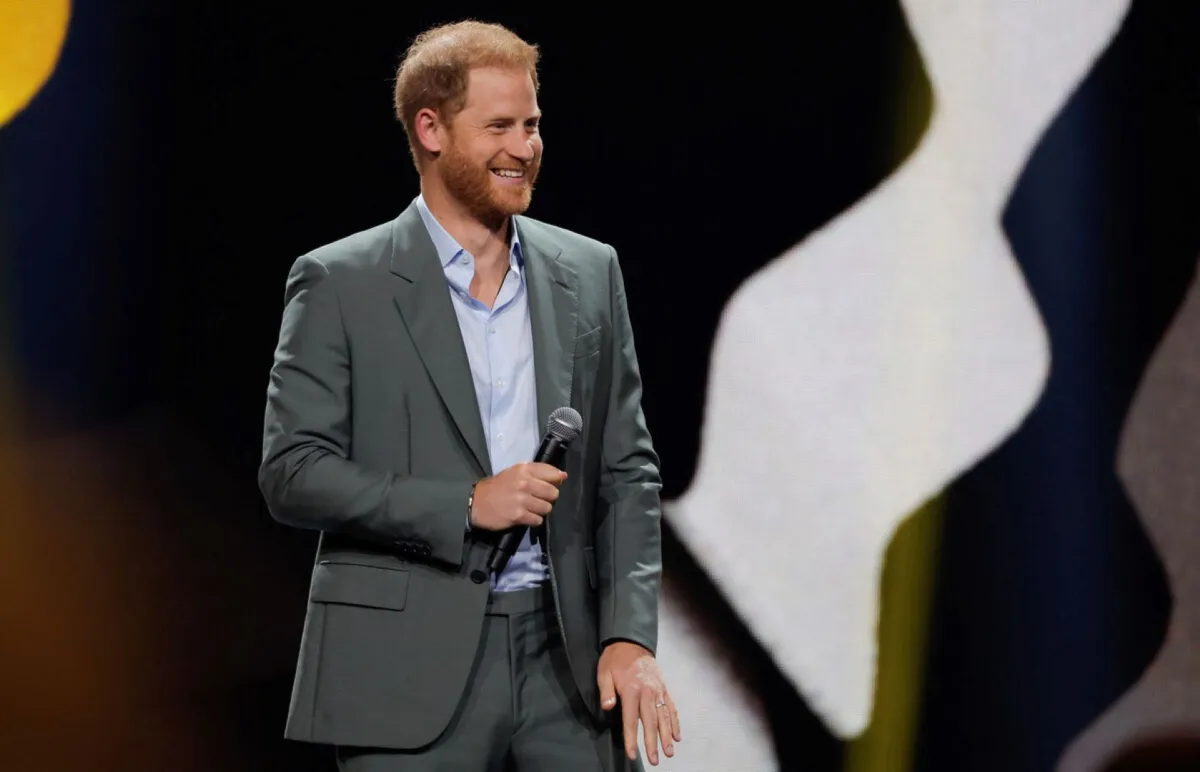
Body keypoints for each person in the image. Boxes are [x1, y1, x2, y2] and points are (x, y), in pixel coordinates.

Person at [258, 20, 679, 772]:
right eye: (499, 127)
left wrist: (629, 636)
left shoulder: (588, 272)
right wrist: (463, 505)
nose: (525, 148)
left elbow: (628, 472)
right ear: (430, 129)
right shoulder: (339, 282)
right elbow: (293, 472)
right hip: (403, 667)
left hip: (567, 667)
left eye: (533, 124)